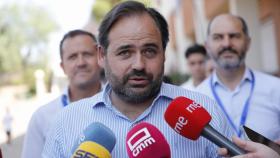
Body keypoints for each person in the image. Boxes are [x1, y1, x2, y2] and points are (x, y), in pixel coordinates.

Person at [42, 1, 234, 157]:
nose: (139, 65)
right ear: (102, 55)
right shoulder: (66, 123)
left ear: (164, 54)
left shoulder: (206, 113)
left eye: (150, 51)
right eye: (125, 52)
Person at [197, 14, 280, 140]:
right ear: (207, 46)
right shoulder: (195, 97)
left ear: (248, 43)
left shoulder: (276, 88)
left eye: (234, 36)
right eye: (218, 37)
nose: (226, 44)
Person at [21, 30, 102, 158]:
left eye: (87, 54)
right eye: (72, 57)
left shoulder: (123, 107)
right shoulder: (41, 118)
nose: (81, 62)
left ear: (100, 58)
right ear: (62, 67)